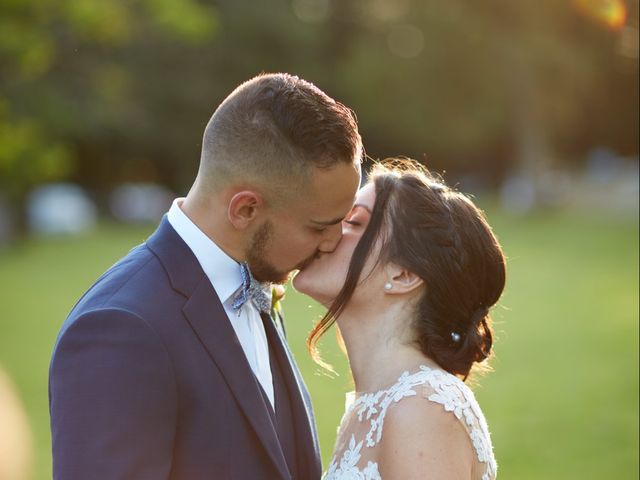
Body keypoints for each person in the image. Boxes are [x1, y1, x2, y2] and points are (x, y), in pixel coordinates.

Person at [49, 73, 363, 480]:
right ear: (245, 210)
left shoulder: (255, 281)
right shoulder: (121, 328)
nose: (334, 242)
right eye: (319, 226)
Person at [293, 159, 506, 480]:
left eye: (354, 222)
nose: (330, 230)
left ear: (404, 275)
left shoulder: (422, 409)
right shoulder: (379, 404)